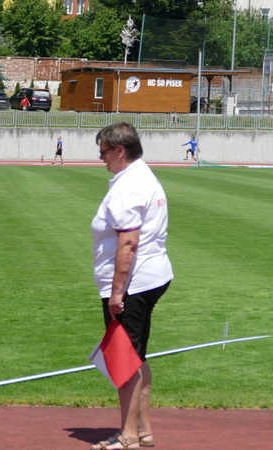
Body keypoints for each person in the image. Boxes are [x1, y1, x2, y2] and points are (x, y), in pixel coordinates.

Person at [90, 122, 173, 450]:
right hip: (150, 278)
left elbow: (128, 243)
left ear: (120, 151)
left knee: (124, 360)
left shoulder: (130, 185)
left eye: (103, 152)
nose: (101, 158)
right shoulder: (141, 176)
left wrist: (117, 293)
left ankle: (128, 436)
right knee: (136, 357)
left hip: (134, 285)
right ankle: (143, 430)